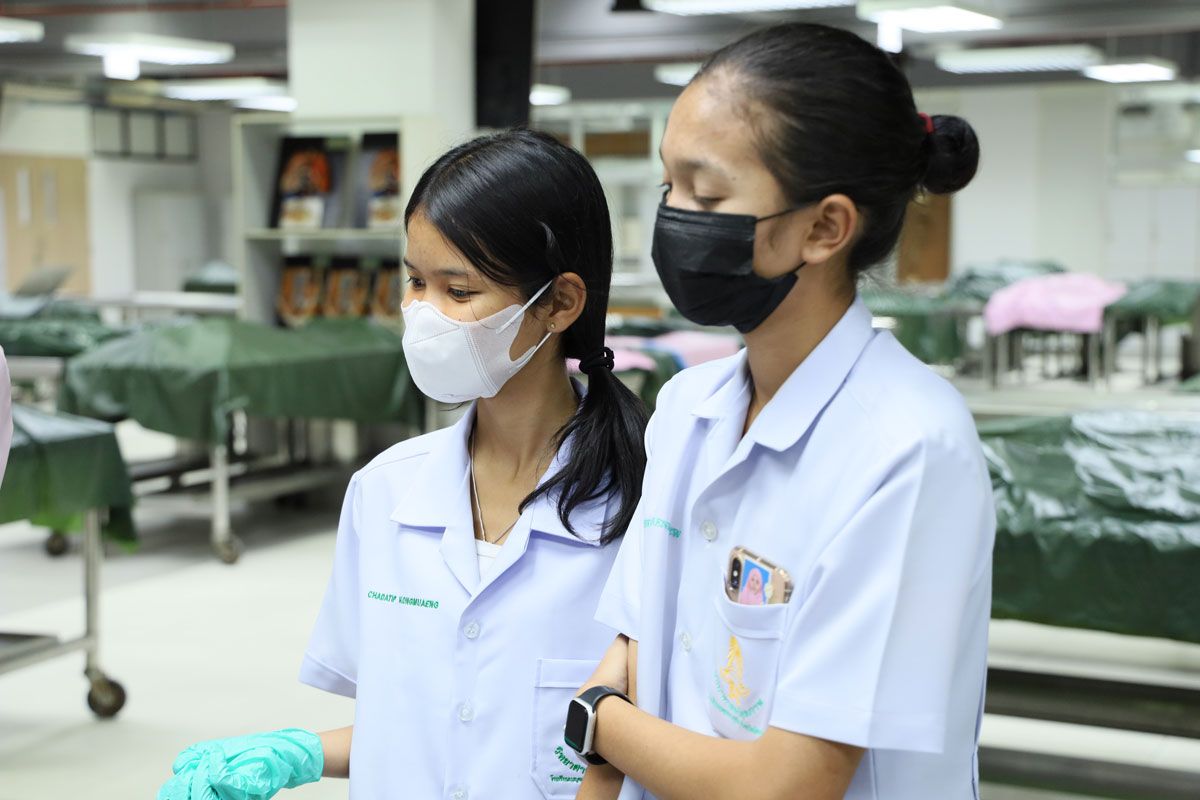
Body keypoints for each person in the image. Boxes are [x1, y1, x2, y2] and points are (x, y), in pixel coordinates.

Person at [568, 23, 995, 800]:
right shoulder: (689, 407)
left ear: (824, 228)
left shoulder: (909, 448)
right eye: (669, 188)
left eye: (707, 195)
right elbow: (627, 652)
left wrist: (596, 722)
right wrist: (602, 729)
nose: (676, 216)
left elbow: (788, 786)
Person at [157, 129, 649, 800]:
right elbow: (408, 723)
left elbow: (647, 743)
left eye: (459, 290)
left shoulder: (643, 505)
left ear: (560, 303)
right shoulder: (386, 490)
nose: (423, 314)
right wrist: (300, 753)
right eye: (415, 281)